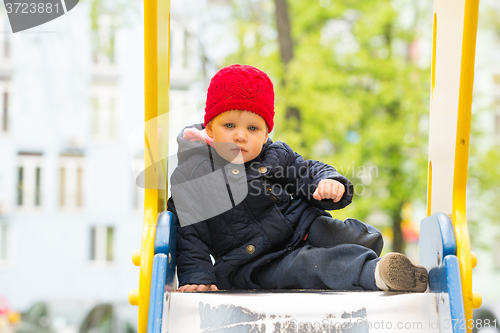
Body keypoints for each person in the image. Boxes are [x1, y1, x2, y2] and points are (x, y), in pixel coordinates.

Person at [167, 64, 428, 292]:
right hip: (255, 263)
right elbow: (190, 234)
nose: (241, 136)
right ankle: (376, 273)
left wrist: (326, 182)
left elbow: (307, 170)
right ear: (210, 127)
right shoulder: (193, 175)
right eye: (230, 125)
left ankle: (379, 253)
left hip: (300, 225)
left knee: (344, 235)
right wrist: (198, 276)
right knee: (310, 265)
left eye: (253, 128)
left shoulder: (274, 155)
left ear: (267, 133)